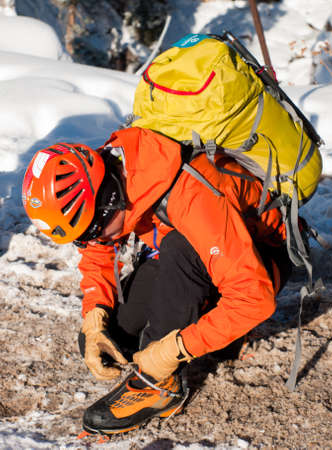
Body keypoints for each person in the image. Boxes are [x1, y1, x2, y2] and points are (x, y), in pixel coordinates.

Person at [22, 126, 292, 435]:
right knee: (114, 337)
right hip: (197, 253)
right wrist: (94, 316)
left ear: (109, 200)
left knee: (180, 247)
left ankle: (158, 386)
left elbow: (254, 298)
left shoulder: (191, 196)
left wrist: (173, 350)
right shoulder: (112, 174)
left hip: (263, 257)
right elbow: (97, 251)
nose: (92, 241)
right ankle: (216, 330)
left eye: (93, 231)